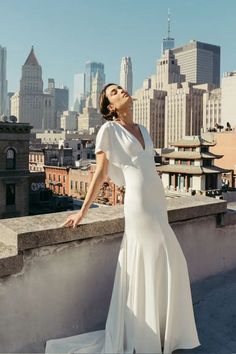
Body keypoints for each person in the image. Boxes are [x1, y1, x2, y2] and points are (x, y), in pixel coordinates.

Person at [45, 83, 201, 354]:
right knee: (147, 259)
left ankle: (161, 332)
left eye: (120, 88)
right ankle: (144, 338)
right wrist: (83, 211)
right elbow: (102, 173)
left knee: (168, 261)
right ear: (110, 107)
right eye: (114, 93)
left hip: (157, 201)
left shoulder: (143, 129)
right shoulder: (109, 130)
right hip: (139, 204)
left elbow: (149, 167)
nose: (121, 92)